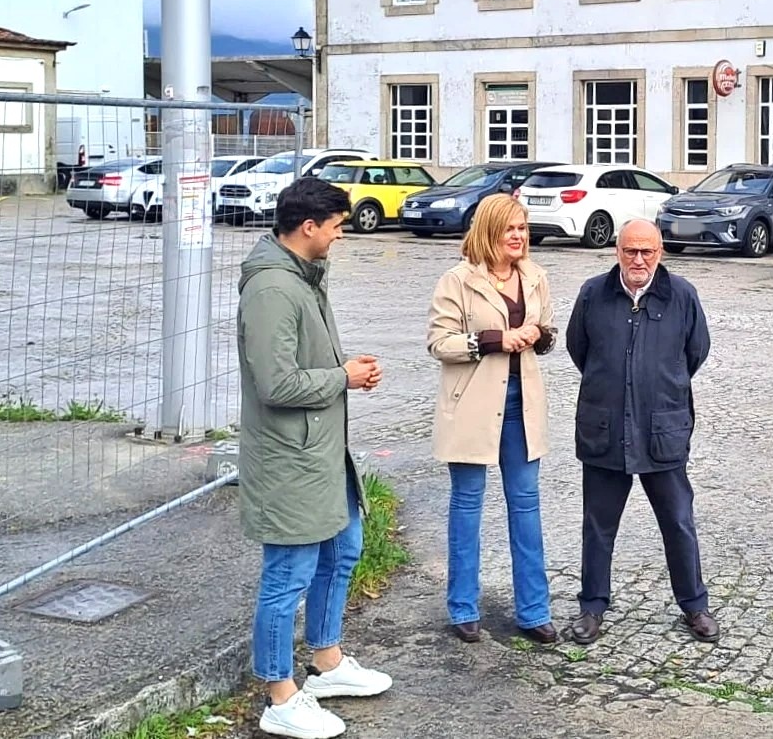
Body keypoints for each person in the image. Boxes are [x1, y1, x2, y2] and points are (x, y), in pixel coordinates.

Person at [237, 176, 393, 739]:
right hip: (290, 459)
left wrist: (345, 373)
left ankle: (326, 663)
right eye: (336, 226)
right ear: (308, 227)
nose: (340, 236)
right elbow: (276, 384)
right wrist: (341, 377)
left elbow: (305, 365)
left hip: (322, 453)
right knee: (287, 576)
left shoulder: (303, 276)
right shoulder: (272, 289)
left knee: (343, 549)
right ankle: (280, 696)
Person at [564, 219, 718, 646]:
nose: (638, 260)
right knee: (598, 525)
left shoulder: (682, 295)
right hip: (605, 428)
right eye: (630, 251)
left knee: (678, 521)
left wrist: (659, 386)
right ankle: (592, 606)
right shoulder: (593, 293)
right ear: (617, 252)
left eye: (646, 252)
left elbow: (696, 351)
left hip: (661, 429)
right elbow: (579, 348)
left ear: (659, 253)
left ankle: (694, 605)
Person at [426, 193, 560, 645]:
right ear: (489, 231)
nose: (518, 237)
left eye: (522, 228)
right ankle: (463, 607)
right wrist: (494, 339)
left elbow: (547, 332)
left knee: (526, 505)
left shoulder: (536, 276)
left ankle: (534, 610)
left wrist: (538, 334)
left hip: (523, 404)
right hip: (473, 404)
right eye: (510, 229)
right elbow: (439, 343)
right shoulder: (457, 280)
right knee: (468, 504)